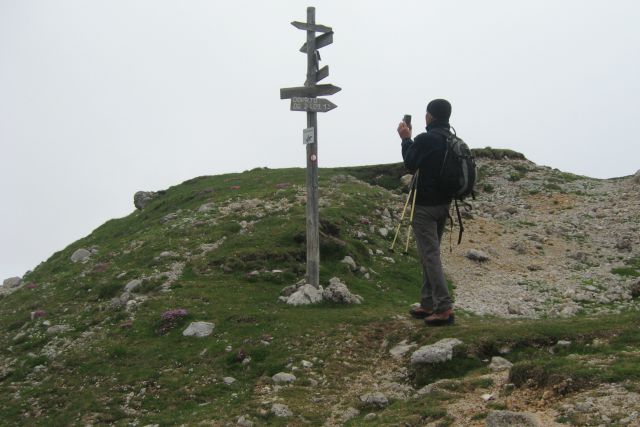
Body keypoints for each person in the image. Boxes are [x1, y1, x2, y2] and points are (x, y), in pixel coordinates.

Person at [397, 99, 454, 326]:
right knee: (430, 254)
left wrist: (405, 139)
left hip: (425, 207)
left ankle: (444, 308)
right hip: (445, 205)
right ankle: (427, 303)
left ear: (430, 116)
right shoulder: (452, 140)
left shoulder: (425, 139)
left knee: (430, 255)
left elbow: (410, 164)